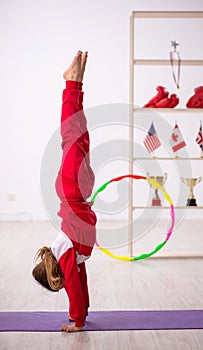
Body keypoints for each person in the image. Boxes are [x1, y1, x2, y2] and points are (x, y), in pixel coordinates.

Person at [32, 51, 97, 333]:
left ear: (56, 276)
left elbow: (73, 284)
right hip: (78, 191)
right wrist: (85, 310)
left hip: (73, 190)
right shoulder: (75, 259)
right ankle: (77, 85)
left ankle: (70, 84)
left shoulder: (66, 255)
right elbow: (80, 284)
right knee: (80, 134)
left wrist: (78, 321)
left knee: (71, 134)